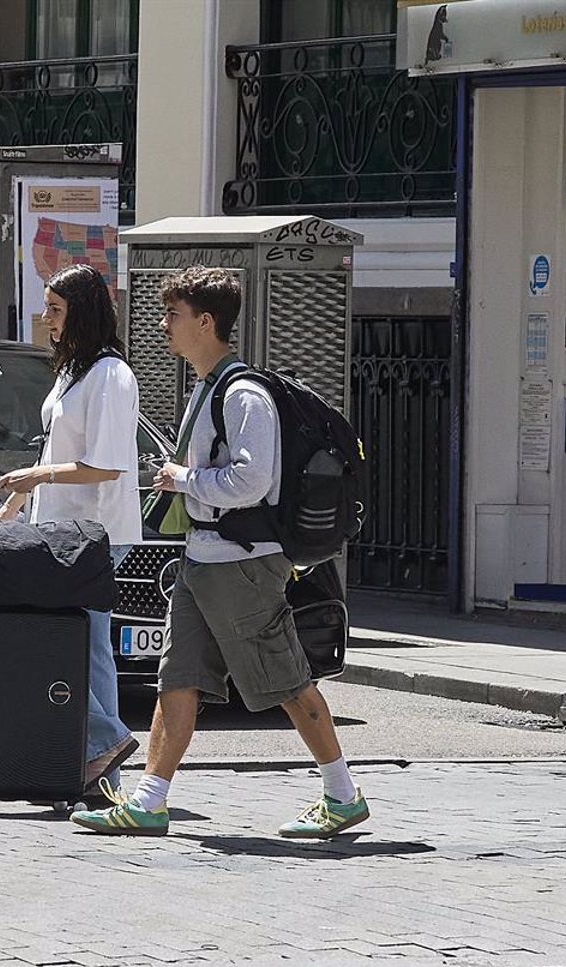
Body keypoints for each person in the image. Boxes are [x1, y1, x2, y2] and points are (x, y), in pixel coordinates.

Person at [72, 266, 370, 841]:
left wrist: (184, 479)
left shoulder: (242, 395)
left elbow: (251, 481)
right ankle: (149, 801)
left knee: (286, 680)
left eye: (173, 315)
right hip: (203, 558)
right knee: (177, 676)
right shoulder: (207, 389)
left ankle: (342, 794)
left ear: (206, 322)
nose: (163, 326)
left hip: (242, 563)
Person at [0, 263, 142, 792]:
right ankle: (104, 772)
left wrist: (37, 478)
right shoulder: (75, 370)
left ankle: (105, 745)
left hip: (95, 532)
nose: (46, 318)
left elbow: (106, 466)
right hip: (63, 529)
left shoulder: (110, 375)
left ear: (81, 312)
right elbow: (55, 448)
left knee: (63, 642)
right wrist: (18, 502)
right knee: (87, 646)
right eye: (46, 307)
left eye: (55, 309)